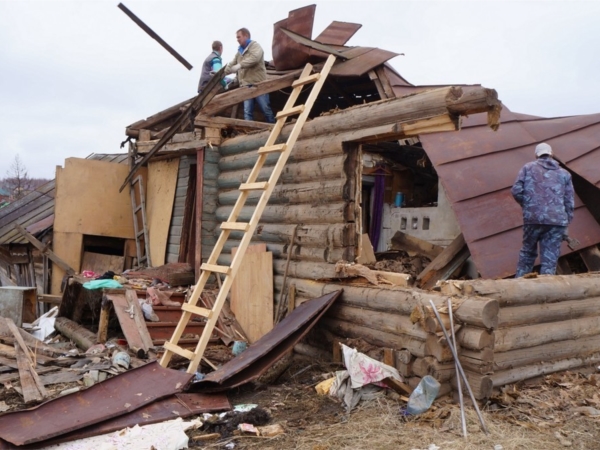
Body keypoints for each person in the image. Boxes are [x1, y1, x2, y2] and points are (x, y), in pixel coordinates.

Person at [511, 142, 575, 277]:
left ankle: (520, 285)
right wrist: (566, 221)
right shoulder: (565, 174)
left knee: (528, 253)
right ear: (551, 154)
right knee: (549, 259)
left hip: (533, 218)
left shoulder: (527, 168)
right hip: (556, 221)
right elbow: (569, 201)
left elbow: (516, 190)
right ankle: (546, 290)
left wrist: (529, 206)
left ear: (536, 155)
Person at [224, 28, 275, 123]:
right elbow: (231, 64)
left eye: (239, 37)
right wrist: (221, 73)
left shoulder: (255, 47)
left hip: (258, 84)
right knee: (247, 112)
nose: (237, 39)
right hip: (246, 86)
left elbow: (254, 59)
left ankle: (274, 128)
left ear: (246, 36)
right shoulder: (239, 52)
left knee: (265, 109)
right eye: (237, 38)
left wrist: (240, 65)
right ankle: (249, 131)